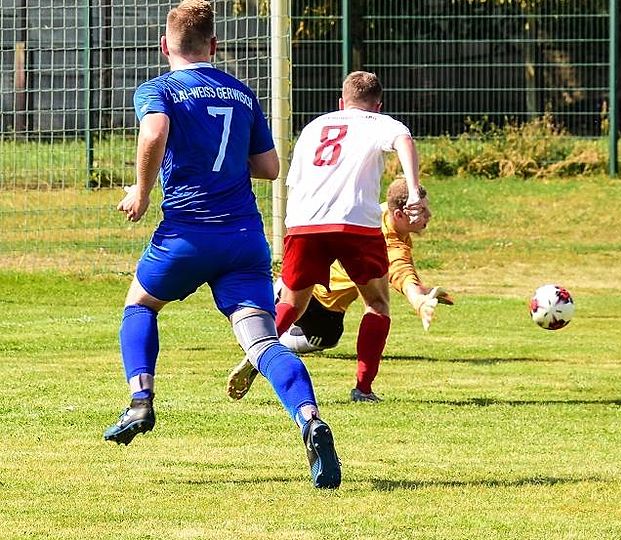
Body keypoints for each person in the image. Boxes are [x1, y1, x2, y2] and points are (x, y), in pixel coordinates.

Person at [104, 0, 340, 490]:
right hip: (244, 240)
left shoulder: (159, 89)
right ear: (214, 45)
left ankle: (140, 401)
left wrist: (142, 190)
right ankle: (310, 418)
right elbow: (269, 167)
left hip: (188, 235)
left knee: (140, 304)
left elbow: (155, 130)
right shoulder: (241, 92)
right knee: (262, 342)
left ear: (165, 45)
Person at [269, 71, 426, 402]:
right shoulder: (379, 122)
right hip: (355, 222)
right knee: (377, 304)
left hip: (303, 222)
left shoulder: (314, 127)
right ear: (378, 105)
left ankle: (258, 351)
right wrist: (413, 191)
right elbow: (404, 140)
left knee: (291, 304)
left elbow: (294, 181)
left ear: (341, 102)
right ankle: (363, 388)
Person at [226, 178, 453, 402]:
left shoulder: (378, 212)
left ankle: (260, 343)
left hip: (305, 258)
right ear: (399, 215)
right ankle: (361, 389)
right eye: (421, 210)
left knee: (294, 304)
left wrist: (421, 291)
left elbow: (405, 272)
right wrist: (417, 299)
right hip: (320, 306)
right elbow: (402, 273)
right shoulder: (390, 243)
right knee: (345, 325)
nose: (429, 215)